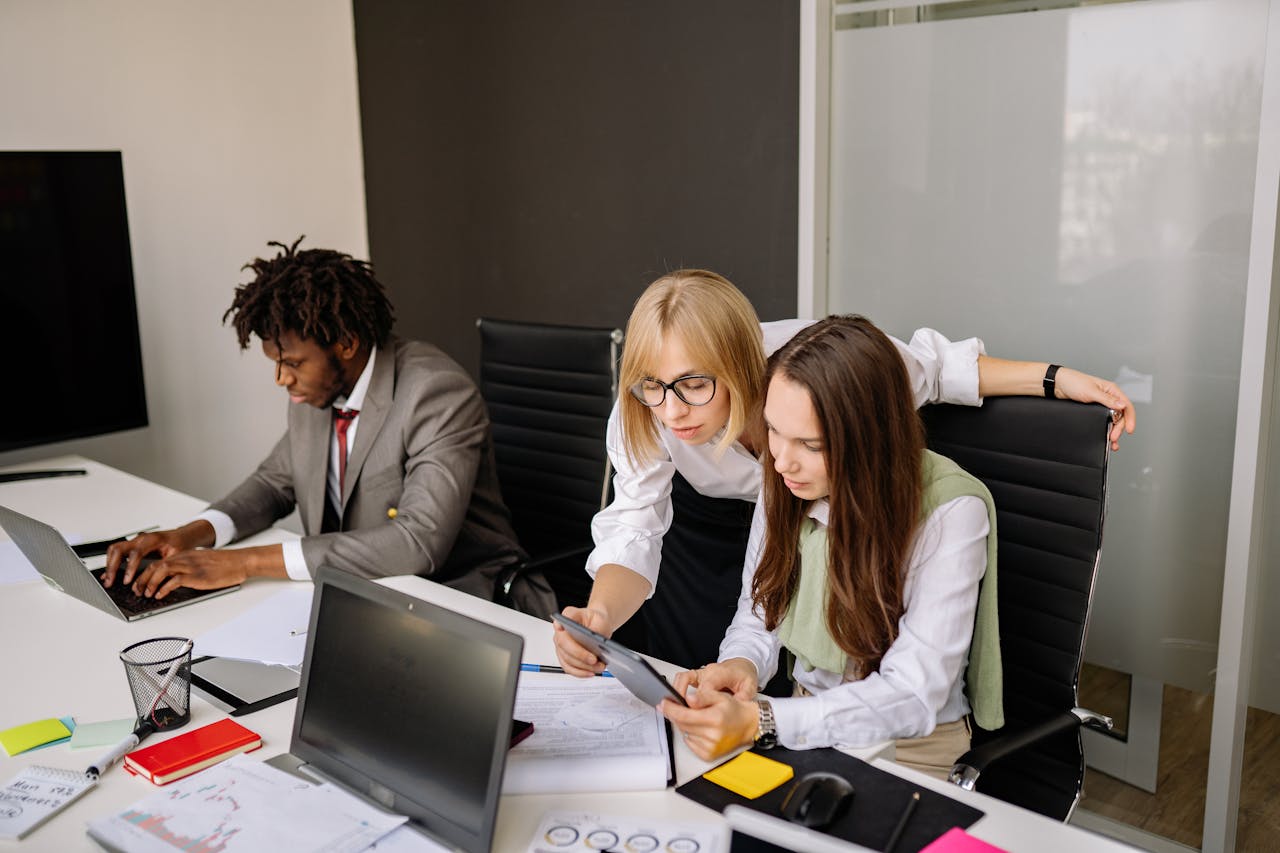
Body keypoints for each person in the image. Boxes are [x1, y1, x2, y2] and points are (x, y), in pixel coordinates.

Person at [553, 269, 1134, 677]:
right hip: (707, 532)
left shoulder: (821, 372)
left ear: (739, 362)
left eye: (694, 384)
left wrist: (1058, 380)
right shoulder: (647, 408)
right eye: (653, 385)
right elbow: (635, 529)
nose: (672, 409)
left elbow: (938, 370)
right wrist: (599, 616)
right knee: (720, 669)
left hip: (813, 521)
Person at [103, 238, 555, 616]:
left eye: (293, 363)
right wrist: (191, 533)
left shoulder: (434, 393)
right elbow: (273, 483)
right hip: (360, 596)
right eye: (276, 363)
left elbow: (417, 542)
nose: (281, 379)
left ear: (346, 343)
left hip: (461, 597)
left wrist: (244, 563)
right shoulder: (314, 393)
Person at [661, 315, 1000, 780]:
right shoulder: (783, 477)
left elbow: (914, 693)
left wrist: (765, 720)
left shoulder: (950, 512)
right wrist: (739, 664)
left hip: (910, 751)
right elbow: (761, 610)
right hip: (802, 726)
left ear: (872, 438)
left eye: (811, 444)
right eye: (773, 430)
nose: (781, 458)